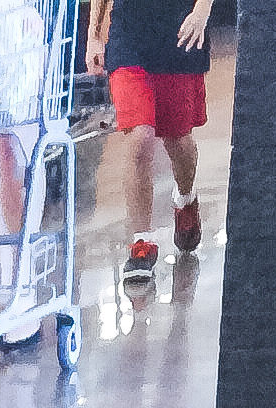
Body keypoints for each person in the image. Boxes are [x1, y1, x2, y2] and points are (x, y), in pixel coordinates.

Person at [87, 0, 212, 285]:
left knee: (178, 141)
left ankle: (186, 199)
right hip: (129, 39)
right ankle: (141, 243)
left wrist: (202, 11)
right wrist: (93, 37)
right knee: (140, 137)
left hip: (181, 31)